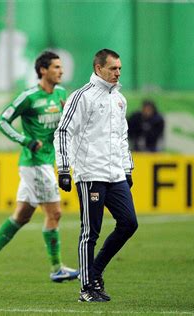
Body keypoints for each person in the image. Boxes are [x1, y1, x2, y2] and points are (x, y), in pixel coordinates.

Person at [0, 51, 79, 283]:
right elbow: (2, 120)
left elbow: (66, 126)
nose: (61, 71)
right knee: (55, 213)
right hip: (35, 164)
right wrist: (25, 140)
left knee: (21, 216)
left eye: (61, 67)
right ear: (43, 70)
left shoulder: (61, 94)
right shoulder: (29, 97)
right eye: (56, 67)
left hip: (46, 162)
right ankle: (56, 268)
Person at [54, 49, 138, 302]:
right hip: (91, 172)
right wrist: (64, 169)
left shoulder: (119, 99)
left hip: (115, 173)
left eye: (120, 69)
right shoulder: (82, 97)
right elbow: (63, 132)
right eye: (113, 68)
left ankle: (94, 271)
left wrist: (127, 168)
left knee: (129, 223)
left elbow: (122, 137)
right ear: (99, 68)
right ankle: (86, 288)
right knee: (90, 231)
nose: (118, 73)